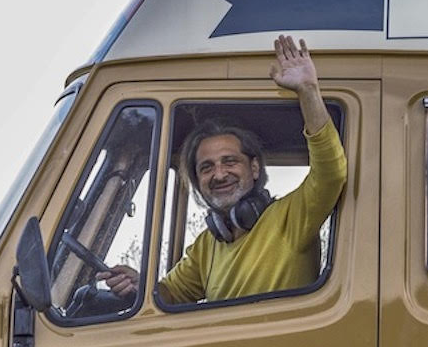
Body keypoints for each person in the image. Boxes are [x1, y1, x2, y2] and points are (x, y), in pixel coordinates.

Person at [104, 35, 345, 307]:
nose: (219, 175)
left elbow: (331, 172)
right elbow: (170, 296)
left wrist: (308, 90)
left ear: (254, 168)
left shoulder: (290, 218)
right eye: (206, 168)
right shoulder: (207, 244)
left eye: (230, 162)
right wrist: (140, 285)